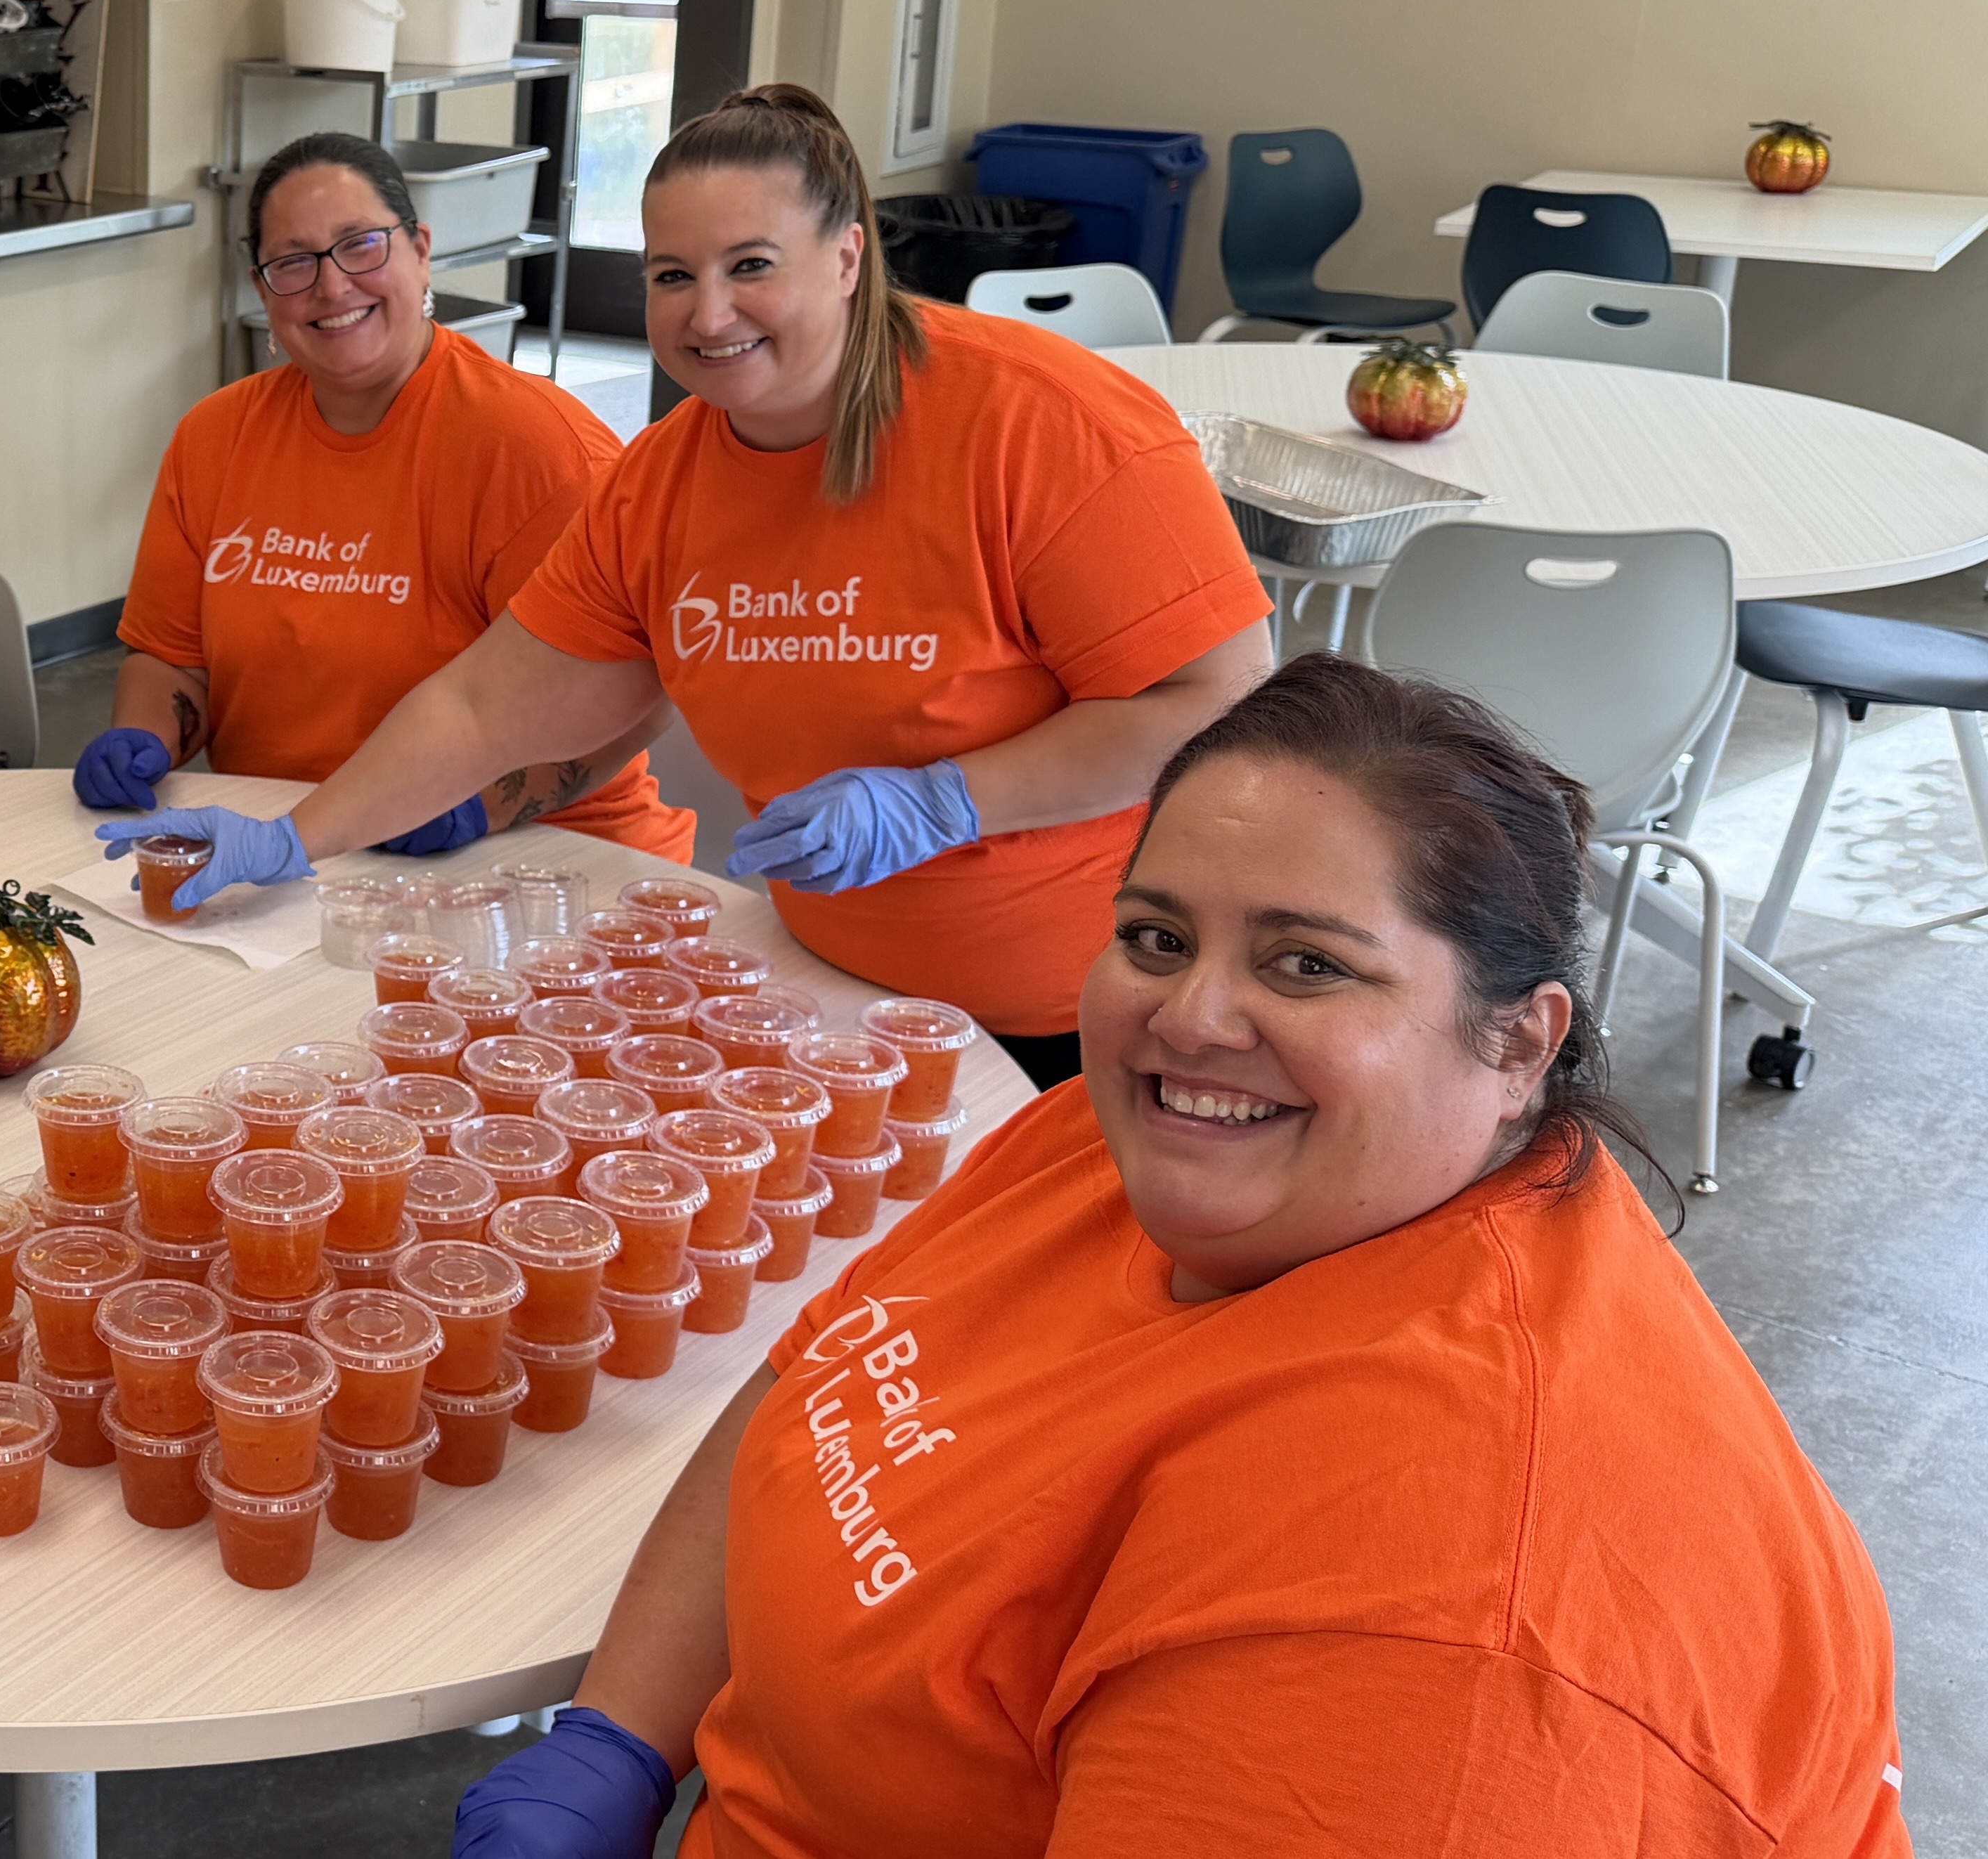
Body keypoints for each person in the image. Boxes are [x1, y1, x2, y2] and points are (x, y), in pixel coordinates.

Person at [450, 655, 1906, 1859]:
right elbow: (823, 1382)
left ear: (1520, 1039)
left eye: (1308, 963)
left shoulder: (1429, 1623)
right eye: (1156, 936)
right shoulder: (1143, 1144)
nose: (1192, 1018)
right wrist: (617, 1737)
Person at [105, 87, 1272, 1087]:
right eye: (672, 275)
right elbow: (480, 709)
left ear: (849, 254)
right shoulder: (660, 484)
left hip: (1071, 1030)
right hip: (812, 994)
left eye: (750, 266)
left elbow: (1216, 705)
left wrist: (943, 799)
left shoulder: (1037, 421)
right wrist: (291, 839)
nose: (708, 313)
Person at [75, 131, 691, 861]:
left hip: (539, 858)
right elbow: (171, 658)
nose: (332, 287)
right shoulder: (214, 439)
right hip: (283, 841)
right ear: (262, 288)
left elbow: (635, 703)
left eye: (361, 245)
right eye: (293, 264)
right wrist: (143, 739)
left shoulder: (538, 450)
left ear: (421, 249)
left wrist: (474, 808)